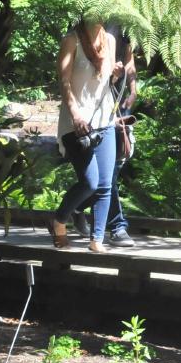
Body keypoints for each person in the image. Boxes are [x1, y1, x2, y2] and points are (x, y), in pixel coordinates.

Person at [48, 19, 120, 252]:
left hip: (104, 121)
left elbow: (105, 81)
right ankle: (59, 220)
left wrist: (117, 75)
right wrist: (76, 115)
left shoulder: (110, 41)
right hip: (76, 124)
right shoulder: (71, 41)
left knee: (105, 184)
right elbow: (64, 82)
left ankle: (96, 239)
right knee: (90, 183)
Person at [72, 23, 136, 246]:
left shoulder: (125, 28)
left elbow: (129, 61)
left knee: (113, 168)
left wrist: (133, 90)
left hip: (117, 103)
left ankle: (77, 207)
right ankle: (117, 227)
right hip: (92, 107)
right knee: (106, 175)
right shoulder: (86, 29)